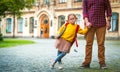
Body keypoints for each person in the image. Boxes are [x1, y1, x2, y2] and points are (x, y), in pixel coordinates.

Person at [80, 0, 112, 69]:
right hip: (89, 24)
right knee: (88, 44)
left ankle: (102, 63)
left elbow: (109, 10)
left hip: (101, 24)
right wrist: (87, 22)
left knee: (101, 44)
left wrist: (108, 21)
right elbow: (84, 12)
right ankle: (87, 63)